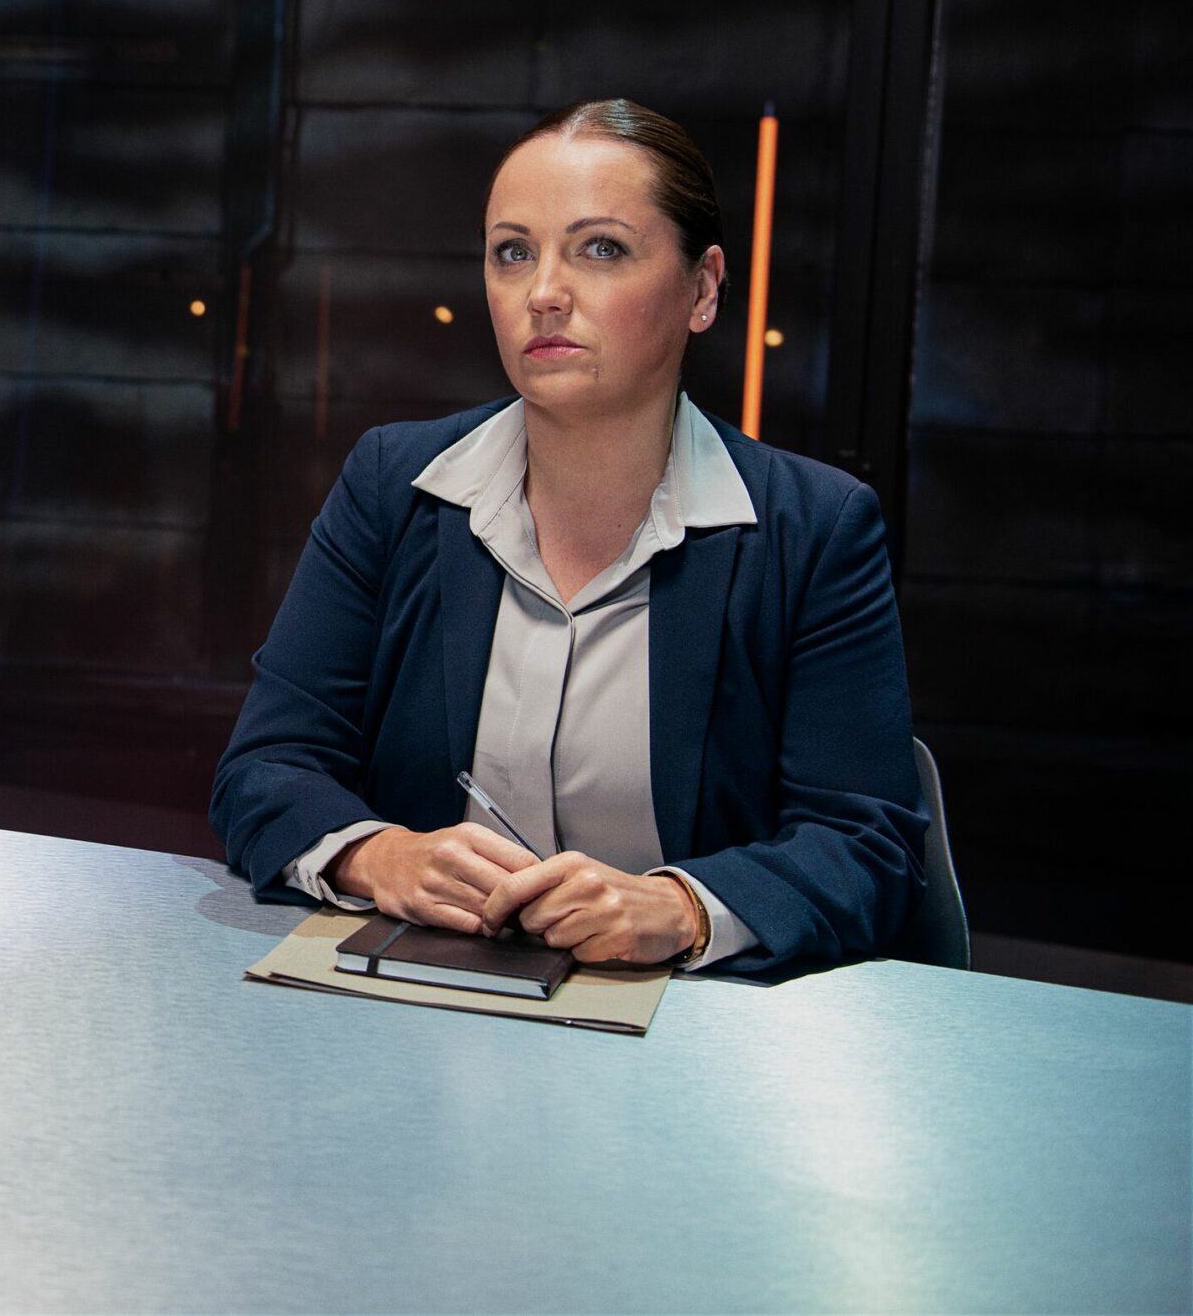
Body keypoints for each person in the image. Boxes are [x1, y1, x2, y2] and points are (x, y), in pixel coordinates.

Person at [210, 100, 925, 976]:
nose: (544, 291)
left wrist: (683, 906)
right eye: (514, 252)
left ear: (702, 289)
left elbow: (866, 845)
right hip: (414, 1000)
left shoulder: (812, 530)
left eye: (601, 249)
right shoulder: (393, 484)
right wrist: (378, 855)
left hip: (691, 1036)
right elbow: (265, 766)